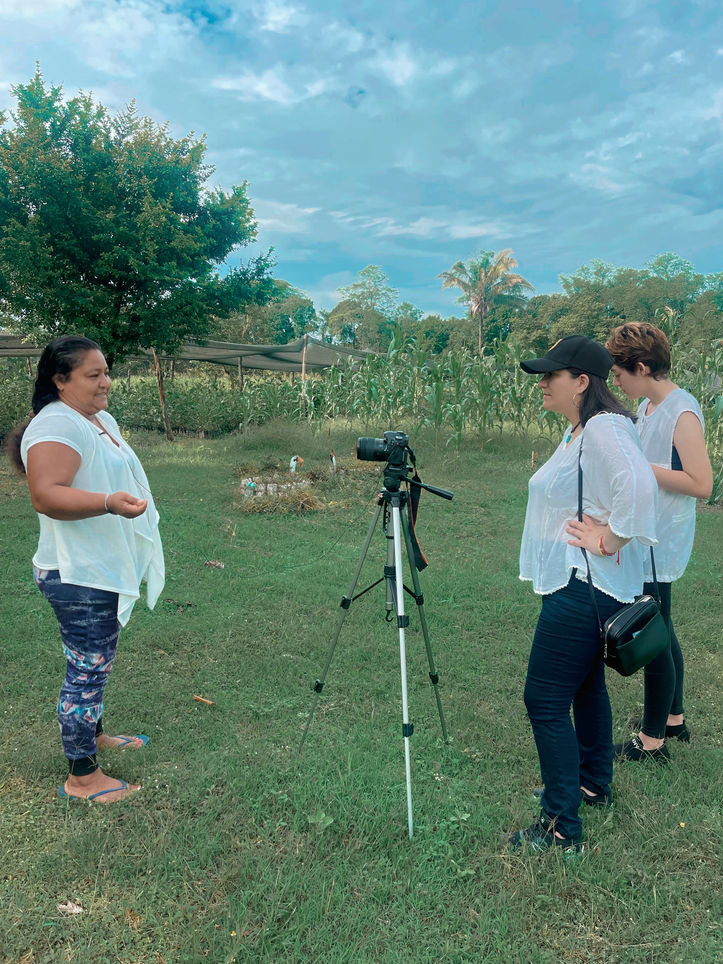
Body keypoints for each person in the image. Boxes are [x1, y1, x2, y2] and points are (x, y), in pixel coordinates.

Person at [511, 335, 658, 851]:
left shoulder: (602, 428)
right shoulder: (582, 430)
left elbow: (639, 488)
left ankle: (560, 827)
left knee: (544, 699)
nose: (542, 382)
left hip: (584, 586)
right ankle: (593, 782)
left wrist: (609, 537)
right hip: (584, 583)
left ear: (581, 382)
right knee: (584, 686)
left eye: (552, 374)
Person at [7, 335, 164, 803]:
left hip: (98, 567)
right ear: (60, 380)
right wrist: (108, 503)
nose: (106, 383)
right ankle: (82, 777)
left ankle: (94, 735)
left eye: (106, 372)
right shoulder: (55, 425)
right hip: (77, 575)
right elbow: (47, 494)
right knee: (86, 672)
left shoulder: (94, 418)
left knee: (92, 664)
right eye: (93, 375)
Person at [606, 323, 713, 762]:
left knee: (653, 632)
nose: (616, 381)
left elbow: (702, 483)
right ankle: (673, 719)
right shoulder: (650, 406)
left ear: (643, 366)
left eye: (619, 373)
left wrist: (640, 468)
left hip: (662, 537)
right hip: (647, 532)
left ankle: (652, 744)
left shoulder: (680, 411)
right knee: (663, 626)